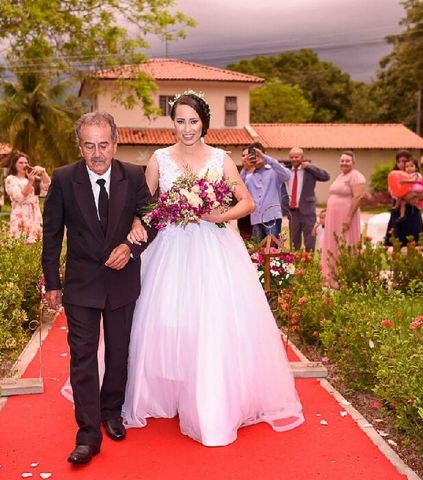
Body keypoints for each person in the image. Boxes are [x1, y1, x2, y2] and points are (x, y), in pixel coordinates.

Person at [123, 91, 304, 447]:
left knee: (212, 321)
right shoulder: (159, 158)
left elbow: (247, 202)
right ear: (172, 122)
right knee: (165, 319)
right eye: (180, 121)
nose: (187, 128)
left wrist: (217, 214)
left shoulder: (221, 159)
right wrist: (136, 222)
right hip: (171, 247)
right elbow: (143, 203)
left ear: (204, 122)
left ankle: (209, 401)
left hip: (213, 246)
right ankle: (166, 392)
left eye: (193, 121)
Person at [42, 112, 155, 465]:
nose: (97, 153)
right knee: (83, 358)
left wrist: (131, 247)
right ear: (80, 146)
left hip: (122, 282)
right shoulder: (62, 179)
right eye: (89, 145)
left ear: (115, 144)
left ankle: (112, 412)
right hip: (81, 284)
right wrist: (52, 283)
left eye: (103, 144)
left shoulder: (133, 176)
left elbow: (151, 220)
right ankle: (88, 434)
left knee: (119, 352)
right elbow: (51, 234)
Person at [320, 150, 366, 287]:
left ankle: (345, 277)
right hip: (333, 218)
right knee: (333, 243)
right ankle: (331, 277)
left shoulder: (356, 176)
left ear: (353, 162)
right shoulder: (340, 176)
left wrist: (348, 218)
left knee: (344, 243)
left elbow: (358, 197)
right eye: (342, 160)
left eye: (347, 161)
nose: (344, 163)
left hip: (345, 216)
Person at [281, 147, 330, 251]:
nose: (294, 159)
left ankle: (309, 262)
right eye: (292, 157)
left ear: (302, 157)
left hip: (307, 211)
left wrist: (311, 167)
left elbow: (326, 176)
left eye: (297, 157)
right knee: (294, 241)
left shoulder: (309, 171)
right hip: (293, 212)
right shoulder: (287, 171)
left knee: (309, 240)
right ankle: (295, 262)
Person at [240, 142, 291, 241]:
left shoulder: (274, 171)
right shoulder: (249, 174)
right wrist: (245, 168)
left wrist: (266, 158)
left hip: (272, 218)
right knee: (258, 252)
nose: (256, 157)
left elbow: (287, 175)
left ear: (264, 154)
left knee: (272, 251)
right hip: (255, 219)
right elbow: (240, 188)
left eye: (258, 154)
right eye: (253, 155)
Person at [5, 154, 50, 243]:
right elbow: (20, 197)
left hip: (34, 214)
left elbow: (48, 187)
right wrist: (30, 181)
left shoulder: (34, 178)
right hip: (20, 215)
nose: (24, 165)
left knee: (35, 244)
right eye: (20, 163)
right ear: (14, 165)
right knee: (21, 243)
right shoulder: (11, 179)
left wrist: (43, 172)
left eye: (26, 163)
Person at [384, 150, 423, 246]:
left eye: (404, 161)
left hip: (412, 211)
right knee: (397, 240)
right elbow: (393, 192)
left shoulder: (416, 176)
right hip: (398, 212)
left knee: (414, 241)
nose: (401, 164)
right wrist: (408, 197)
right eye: (398, 162)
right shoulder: (394, 176)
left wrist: (416, 195)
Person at [396, 157, 423, 221]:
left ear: (416, 168)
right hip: (412, 191)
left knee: (406, 200)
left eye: (411, 166)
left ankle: (415, 205)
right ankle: (402, 216)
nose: (409, 168)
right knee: (403, 202)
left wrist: (403, 181)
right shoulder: (406, 175)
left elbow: (413, 180)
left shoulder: (416, 174)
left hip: (417, 189)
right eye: (407, 167)